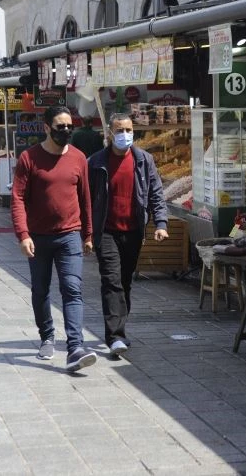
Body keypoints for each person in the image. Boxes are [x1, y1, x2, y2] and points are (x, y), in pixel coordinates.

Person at [11, 105, 97, 373]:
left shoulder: (79, 158)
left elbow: (85, 198)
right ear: (47, 127)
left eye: (69, 126)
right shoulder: (29, 158)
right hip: (38, 238)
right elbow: (17, 198)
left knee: (72, 289)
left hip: (70, 235)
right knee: (41, 290)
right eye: (60, 126)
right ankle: (47, 336)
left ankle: (75, 348)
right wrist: (23, 234)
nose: (66, 130)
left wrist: (88, 234)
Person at [88, 113, 168, 358]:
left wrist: (161, 223)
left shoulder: (144, 160)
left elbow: (155, 193)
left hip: (133, 231)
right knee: (111, 281)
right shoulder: (96, 162)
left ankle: (120, 327)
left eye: (129, 129)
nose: (125, 134)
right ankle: (115, 337)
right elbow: (86, 199)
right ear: (110, 133)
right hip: (107, 231)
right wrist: (87, 232)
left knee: (124, 282)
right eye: (120, 130)